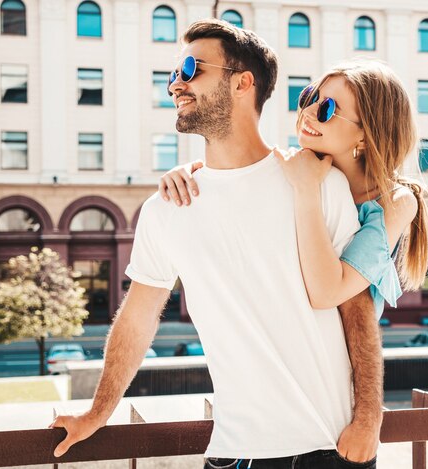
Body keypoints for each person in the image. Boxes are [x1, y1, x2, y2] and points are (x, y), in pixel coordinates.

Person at [49, 19, 384, 469]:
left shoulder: (317, 181)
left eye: (191, 68)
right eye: (174, 74)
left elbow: (356, 310)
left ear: (243, 82)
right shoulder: (166, 207)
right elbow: (136, 320)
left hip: (329, 447)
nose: (176, 84)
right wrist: (97, 413)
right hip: (234, 453)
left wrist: (369, 419)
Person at [160, 60, 428, 347]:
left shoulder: (396, 202)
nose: (308, 112)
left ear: (365, 135)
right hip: (281, 341)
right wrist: (193, 173)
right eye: (309, 98)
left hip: (334, 355)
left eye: (328, 108)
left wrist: (306, 189)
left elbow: (328, 292)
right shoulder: (297, 163)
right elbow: (240, 176)